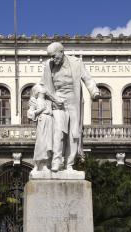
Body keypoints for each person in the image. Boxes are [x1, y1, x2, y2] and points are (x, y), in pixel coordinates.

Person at [40, 42, 100, 172]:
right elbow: (42, 85)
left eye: (54, 56)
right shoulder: (48, 66)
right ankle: (57, 161)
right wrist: (53, 98)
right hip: (57, 102)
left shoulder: (76, 63)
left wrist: (94, 91)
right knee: (58, 131)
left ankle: (69, 164)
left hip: (73, 101)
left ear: (62, 52)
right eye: (50, 56)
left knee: (74, 134)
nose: (52, 59)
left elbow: (87, 79)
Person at [27, 83, 54, 172]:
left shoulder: (48, 101)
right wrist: (40, 110)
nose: (44, 89)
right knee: (40, 143)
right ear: (37, 91)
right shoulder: (34, 100)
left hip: (50, 122)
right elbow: (30, 114)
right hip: (42, 121)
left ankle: (46, 164)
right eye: (42, 88)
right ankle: (37, 165)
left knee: (48, 144)